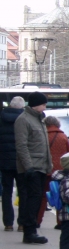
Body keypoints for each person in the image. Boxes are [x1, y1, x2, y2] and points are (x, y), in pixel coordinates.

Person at [15, 92, 51, 244]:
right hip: (32, 168)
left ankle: (31, 229)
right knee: (32, 198)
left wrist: (49, 164)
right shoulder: (23, 120)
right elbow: (21, 145)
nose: (45, 107)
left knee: (36, 199)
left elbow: (44, 145)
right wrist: (28, 166)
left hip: (41, 166)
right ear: (36, 104)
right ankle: (29, 230)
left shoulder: (39, 119)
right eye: (43, 104)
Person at [0, 96, 25, 231]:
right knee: (22, 192)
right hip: (21, 161)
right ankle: (21, 223)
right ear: (21, 107)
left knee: (6, 192)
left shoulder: (2, 118)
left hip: (5, 161)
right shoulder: (24, 119)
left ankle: (8, 223)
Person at [43, 116, 69, 227]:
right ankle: (60, 222)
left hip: (45, 170)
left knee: (42, 196)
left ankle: (37, 221)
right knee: (60, 196)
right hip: (60, 172)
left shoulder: (43, 136)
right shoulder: (63, 137)